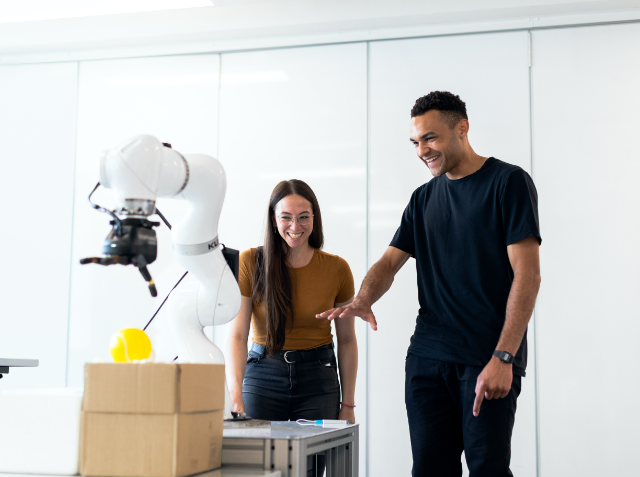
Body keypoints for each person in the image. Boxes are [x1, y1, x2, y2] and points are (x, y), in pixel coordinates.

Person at [317, 91, 541, 476]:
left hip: (486, 358)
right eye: (416, 141)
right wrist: (363, 297)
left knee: (488, 468)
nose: (422, 150)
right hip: (427, 358)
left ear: (462, 129)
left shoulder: (508, 183)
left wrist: (504, 357)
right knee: (429, 469)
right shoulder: (423, 199)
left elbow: (528, 275)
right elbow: (390, 262)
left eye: (430, 138)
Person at [226, 179, 357, 426]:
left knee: (311, 464)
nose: (295, 226)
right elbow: (237, 336)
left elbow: (347, 340)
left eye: (304, 217)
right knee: (258, 461)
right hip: (263, 373)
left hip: (318, 378)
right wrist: (235, 397)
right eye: (286, 217)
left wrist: (347, 404)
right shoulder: (249, 262)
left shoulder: (337, 269)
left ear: (314, 218)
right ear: (273, 220)